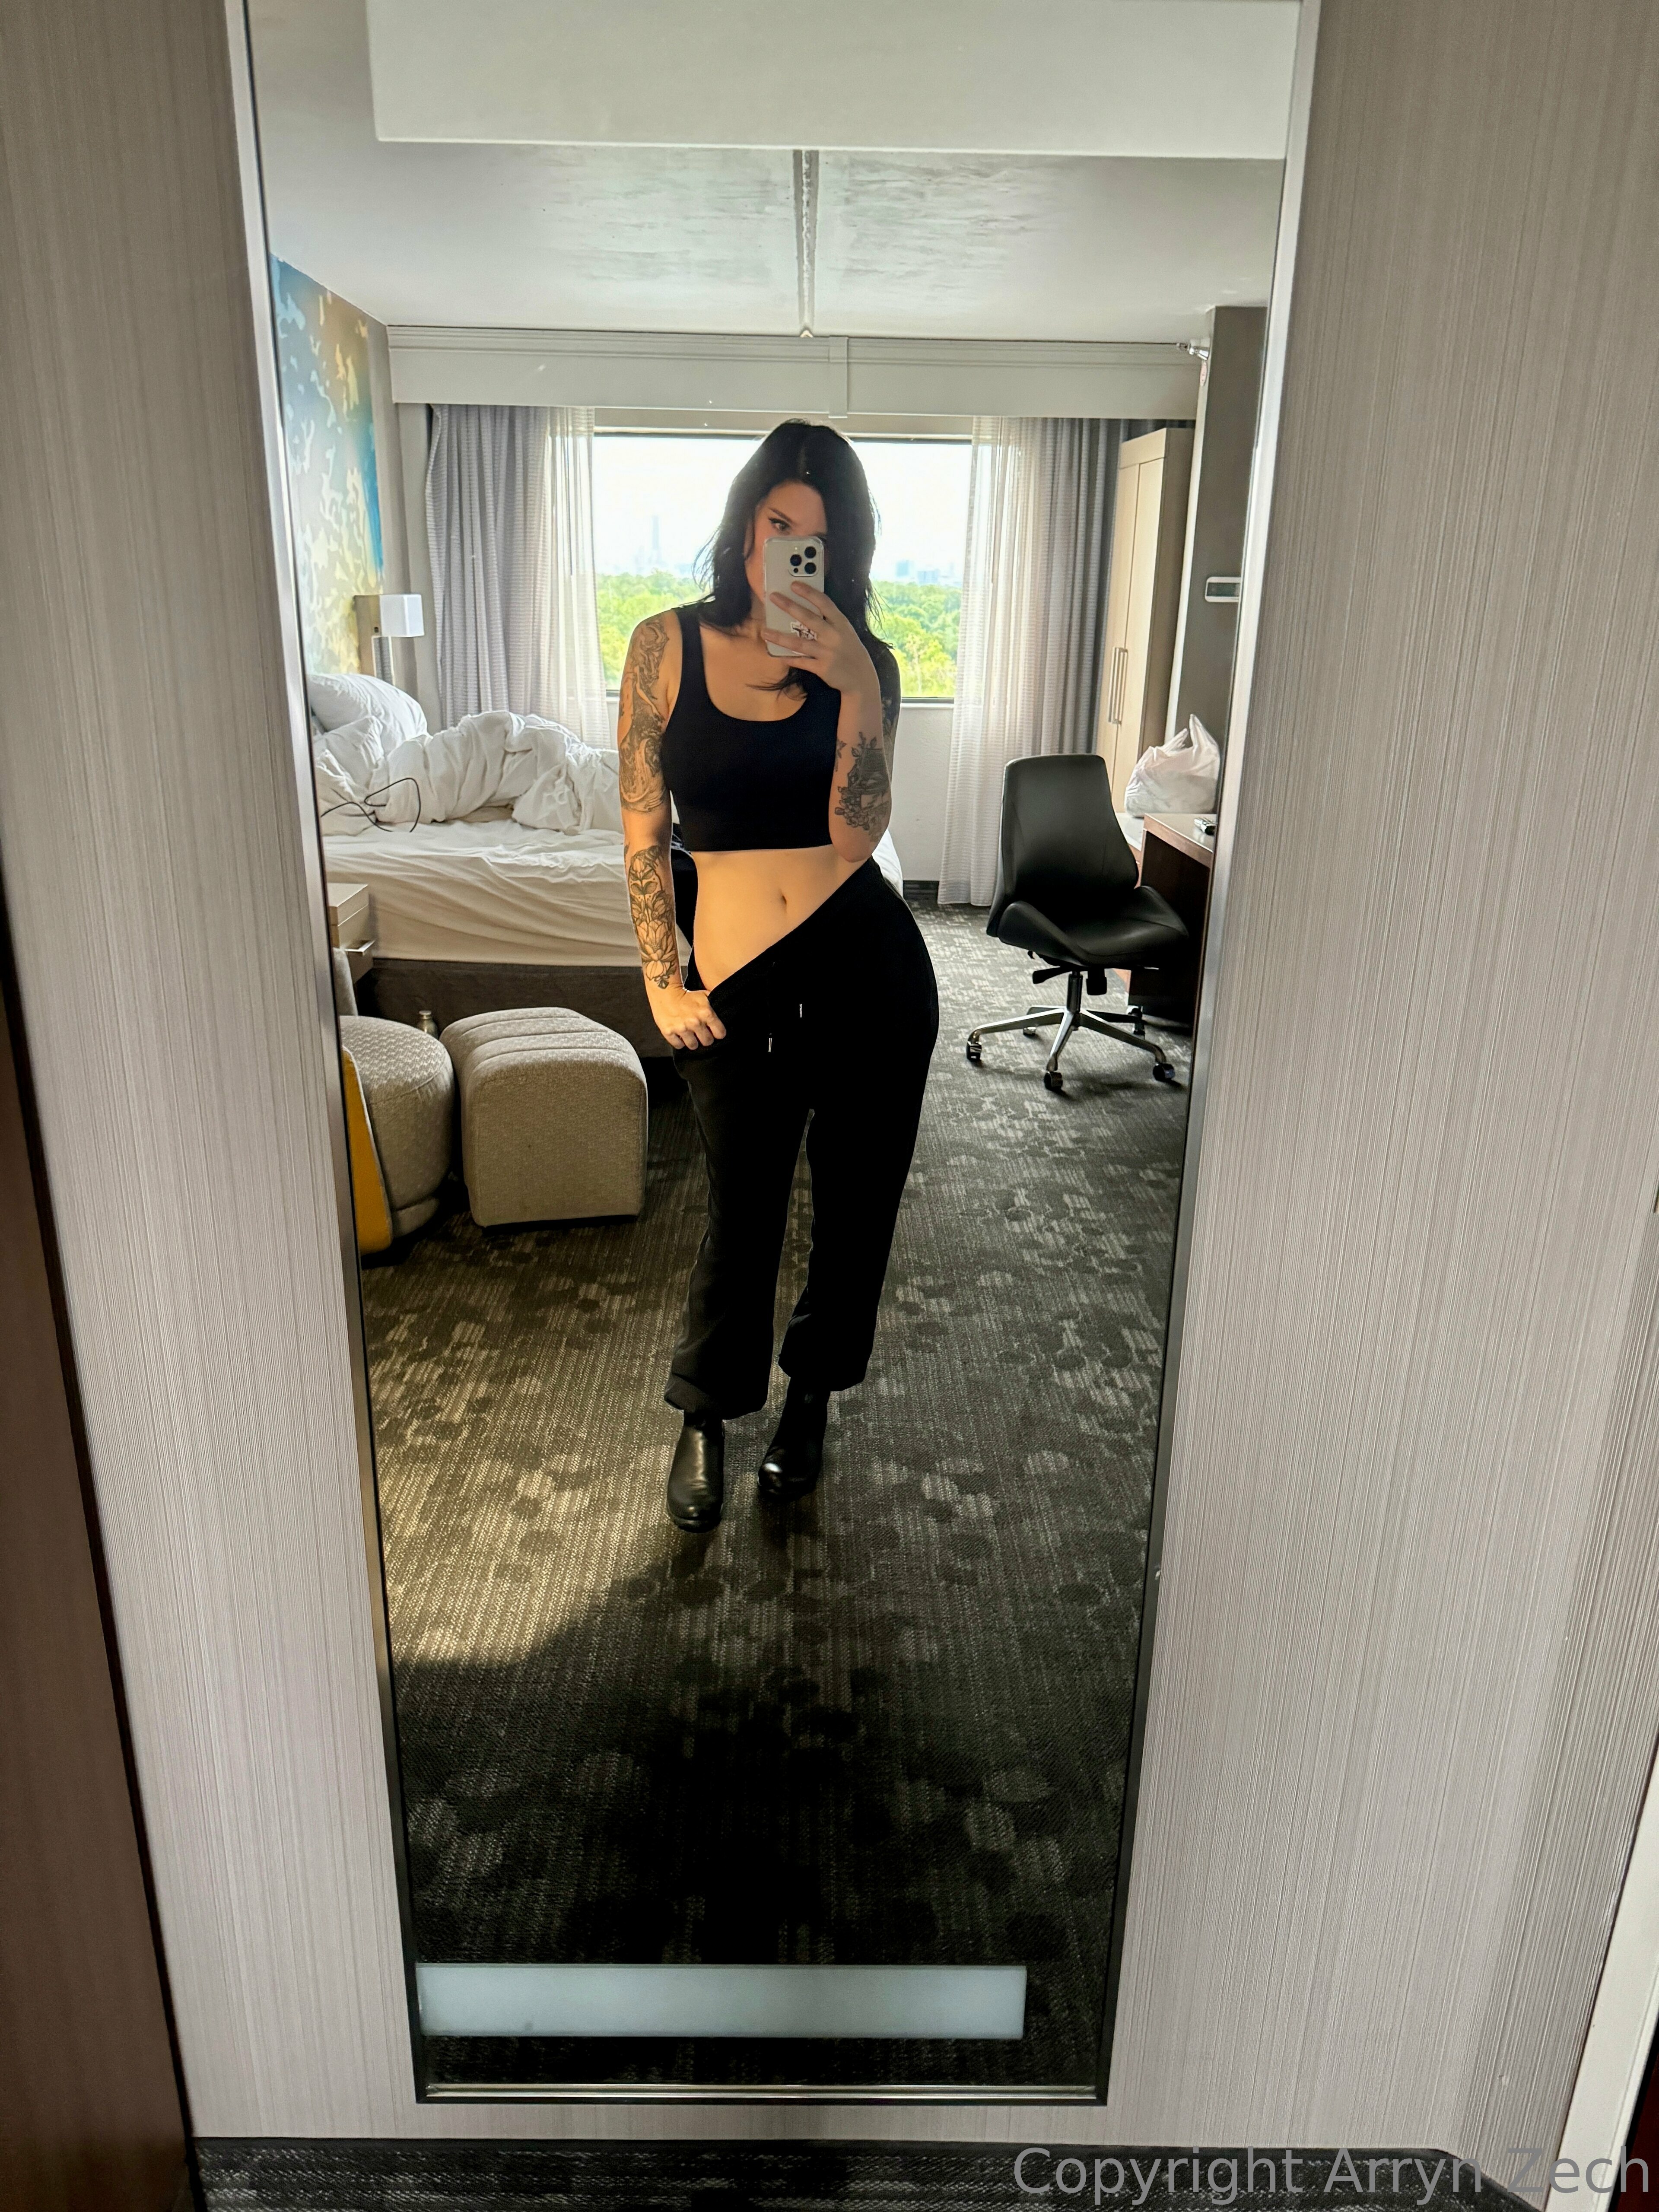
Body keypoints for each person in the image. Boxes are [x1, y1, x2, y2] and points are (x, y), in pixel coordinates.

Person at [617, 421, 939, 1533]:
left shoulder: (867, 664)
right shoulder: (663, 646)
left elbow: (857, 838)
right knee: (742, 1206)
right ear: (746, 524)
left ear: (846, 550)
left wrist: (854, 684)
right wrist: (662, 978)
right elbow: (642, 830)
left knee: (857, 1208)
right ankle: (706, 1411)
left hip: (867, 970)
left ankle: (812, 1398)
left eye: (820, 534)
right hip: (735, 975)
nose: (795, 548)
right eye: (778, 523)